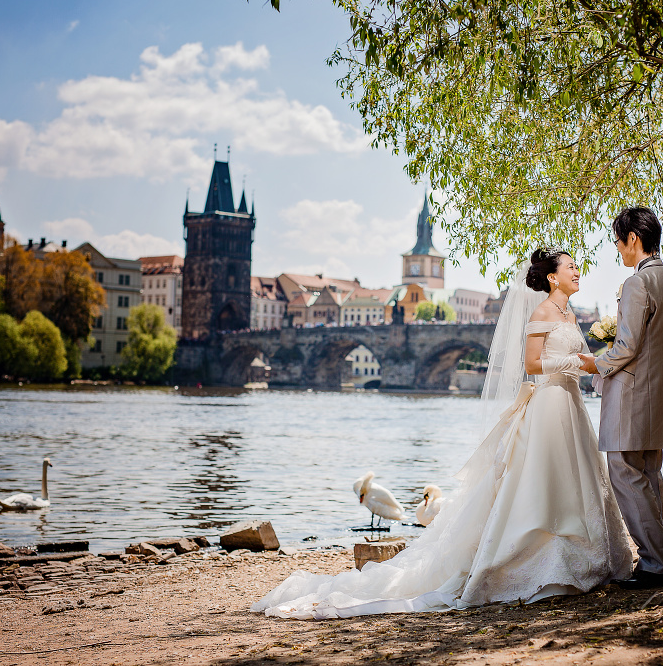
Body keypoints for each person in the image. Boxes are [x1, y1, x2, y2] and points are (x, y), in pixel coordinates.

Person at [251, 248, 631, 619]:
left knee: (576, 477)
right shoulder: (543, 311)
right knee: (542, 480)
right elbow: (531, 363)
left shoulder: (570, 315)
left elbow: (577, 361)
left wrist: (593, 366)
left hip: (570, 405)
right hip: (549, 405)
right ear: (552, 277)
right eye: (572, 267)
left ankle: (582, 554)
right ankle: (540, 557)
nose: (578, 272)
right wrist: (576, 361)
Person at [578, 206, 663, 590]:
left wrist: (594, 364)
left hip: (632, 396)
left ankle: (659, 565)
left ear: (634, 240)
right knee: (650, 476)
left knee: (625, 473)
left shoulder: (636, 284)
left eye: (618, 241)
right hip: (662, 396)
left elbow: (625, 347)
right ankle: (659, 561)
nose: (617, 249)